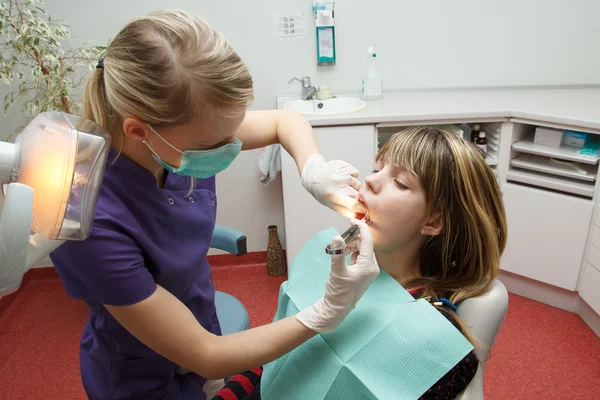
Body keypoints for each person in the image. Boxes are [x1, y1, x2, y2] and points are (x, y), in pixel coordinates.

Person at [49, 9, 379, 400]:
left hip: (202, 323)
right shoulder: (89, 221)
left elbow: (284, 122)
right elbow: (206, 355)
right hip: (141, 378)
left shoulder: (184, 132)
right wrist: (326, 312)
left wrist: (312, 168)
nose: (231, 147)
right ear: (139, 130)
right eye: (214, 145)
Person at [216, 126, 507, 399]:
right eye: (377, 168)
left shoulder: (428, 330)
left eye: (400, 182)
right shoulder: (335, 266)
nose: (369, 180)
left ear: (433, 221)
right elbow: (277, 358)